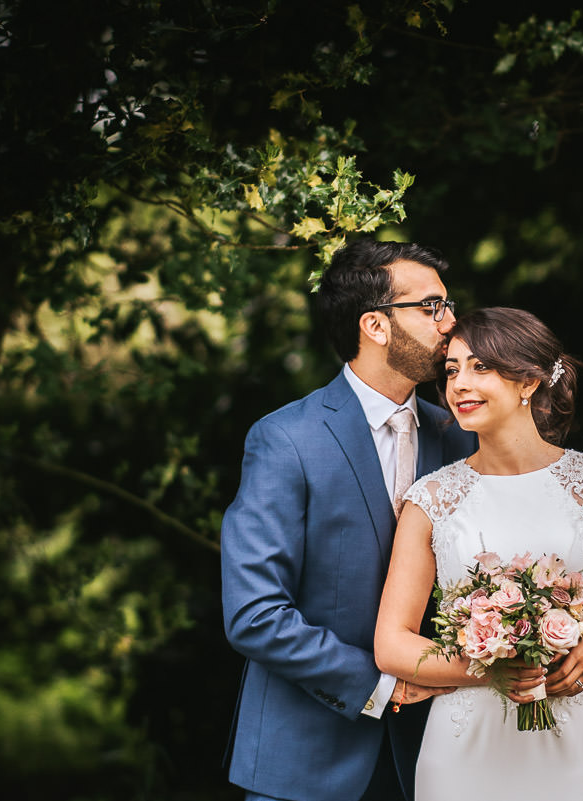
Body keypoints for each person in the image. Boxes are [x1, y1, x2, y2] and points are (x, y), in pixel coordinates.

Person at [220, 238, 477, 801]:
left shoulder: (459, 438)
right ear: (376, 326)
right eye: (431, 307)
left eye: (448, 304)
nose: (451, 323)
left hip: (440, 759)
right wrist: (382, 683)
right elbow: (254, 613)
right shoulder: (286, 439)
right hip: (306, 760)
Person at [373, 307, 583, 800]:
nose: (459, 384)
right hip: (465, 750)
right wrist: (489, 667)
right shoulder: (431, 499)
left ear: (529, 382)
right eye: (452, 370)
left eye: (480, 367)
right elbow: (392, 645)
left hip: (577, 744)